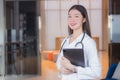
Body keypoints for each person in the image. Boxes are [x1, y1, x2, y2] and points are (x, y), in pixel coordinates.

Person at [56, 4, 101, 80]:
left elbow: (96, 72)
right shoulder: (65, 41)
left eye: (76, 16)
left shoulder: (89, 42)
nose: (72, 20)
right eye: (69, 16)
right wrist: (61, 69)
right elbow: (59, 62)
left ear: (84, 19)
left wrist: (74, 68)